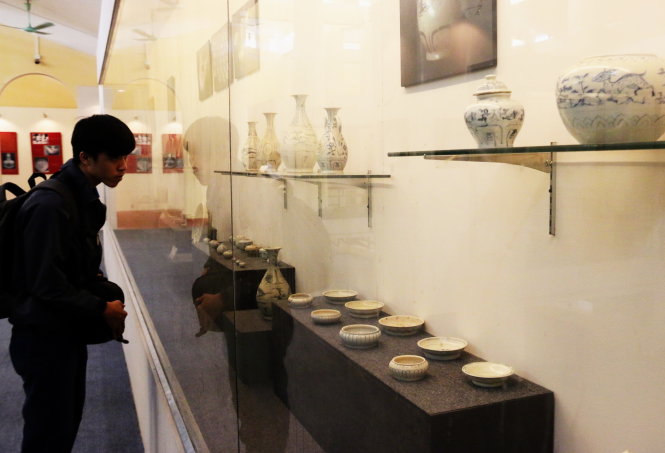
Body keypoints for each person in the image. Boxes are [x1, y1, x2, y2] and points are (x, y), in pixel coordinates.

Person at [8, 114, 135, 452]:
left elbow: (68, 269)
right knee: (48, 436)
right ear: (85, 158)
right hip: (42, 338)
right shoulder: (51, 204)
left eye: (126, 157)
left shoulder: (79, 197)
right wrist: (101, 307)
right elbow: (45, 283)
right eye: (114, 157)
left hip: (62, 331)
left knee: (62, 428)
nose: (123, 166)